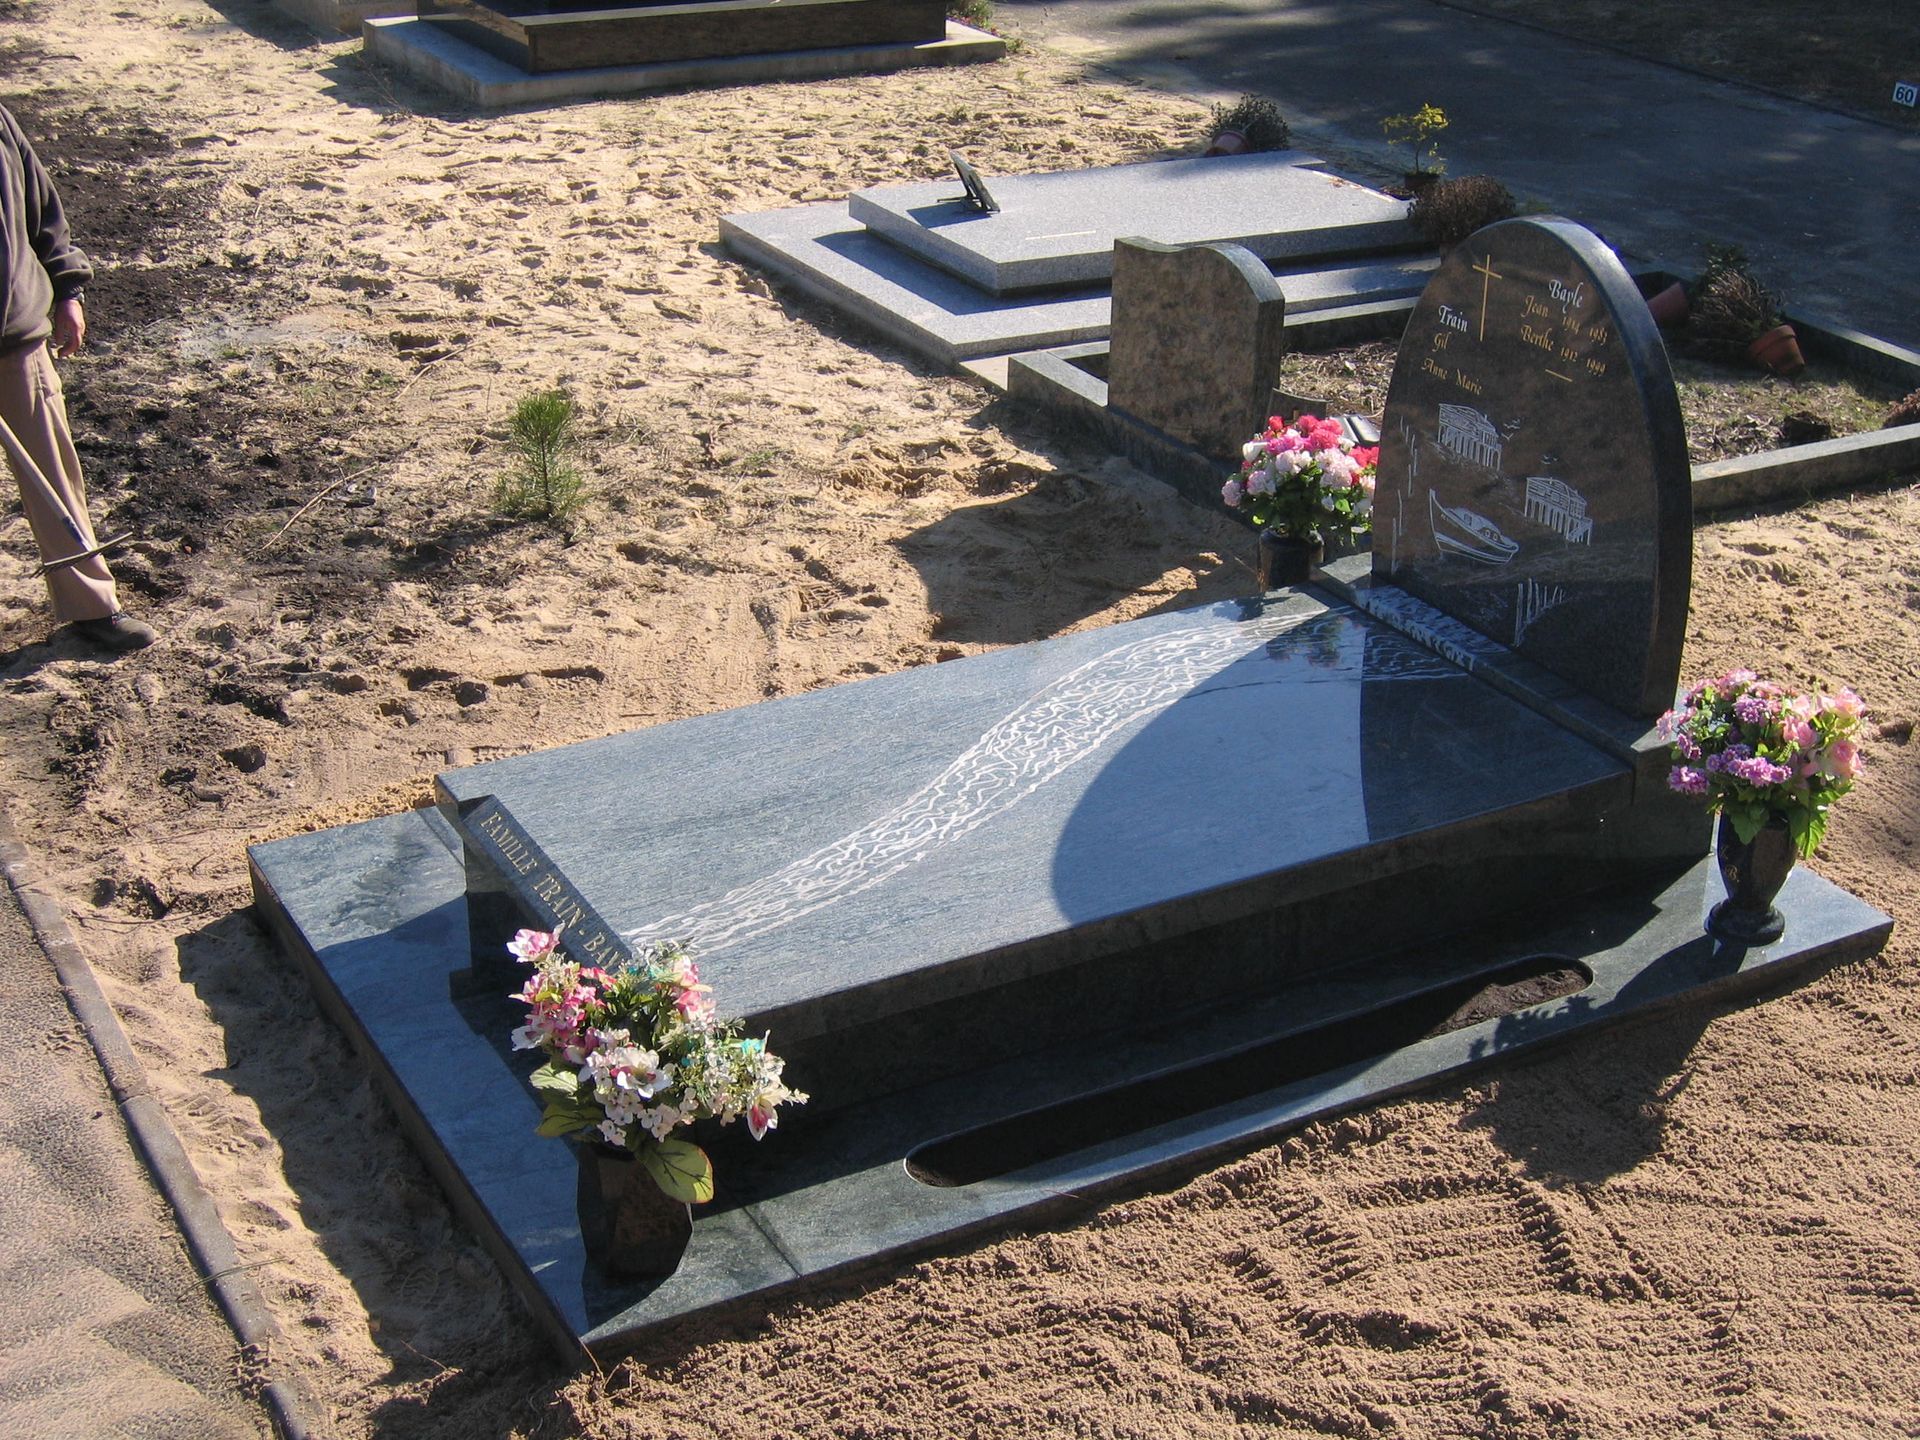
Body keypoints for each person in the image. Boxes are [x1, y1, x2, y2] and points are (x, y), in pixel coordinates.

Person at [0, 103, 152, 652]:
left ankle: (92, 605)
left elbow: (43, 212)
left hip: (17, 335)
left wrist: (68, 289)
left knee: (54, 476)